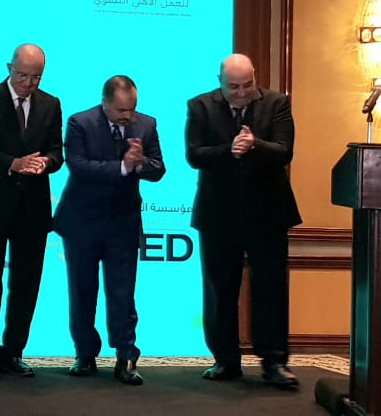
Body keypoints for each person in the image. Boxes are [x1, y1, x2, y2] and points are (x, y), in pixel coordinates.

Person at [186, 53, 300, 388]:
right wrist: (229, 149)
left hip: (268, 213)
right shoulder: (200, 106)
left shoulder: (277, 103)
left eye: (247, 85)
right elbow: (194, 155)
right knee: (220, 289)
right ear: (219, 82)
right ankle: (225, 360)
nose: (240, 93)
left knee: (270, 288)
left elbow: (284, 150)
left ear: (255, 78)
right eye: (233, 87)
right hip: (218, 215)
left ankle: (274, 361)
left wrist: (254, 145)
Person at [53, 75, 164, 385]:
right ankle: (85, 354)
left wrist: (140, 163)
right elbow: (78, 166)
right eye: (121, 110)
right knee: (82, 290)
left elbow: (158, 168)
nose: (128, 116)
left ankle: (126, 356)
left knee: (123, 293)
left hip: (122, 223)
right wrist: (123, 167)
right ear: (105, 103)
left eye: (132, 109)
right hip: (82, 221)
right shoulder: (80, 122)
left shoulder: (147, 124)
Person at [0, 43, 63, 379]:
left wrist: (45, 162)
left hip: (32, 209)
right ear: (9, 68)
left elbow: (57, 152)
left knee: (26, 284)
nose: (28, 83)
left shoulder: (51, 104)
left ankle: (14, 352)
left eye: (36, 77)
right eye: (22, 75)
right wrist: (12, 164)